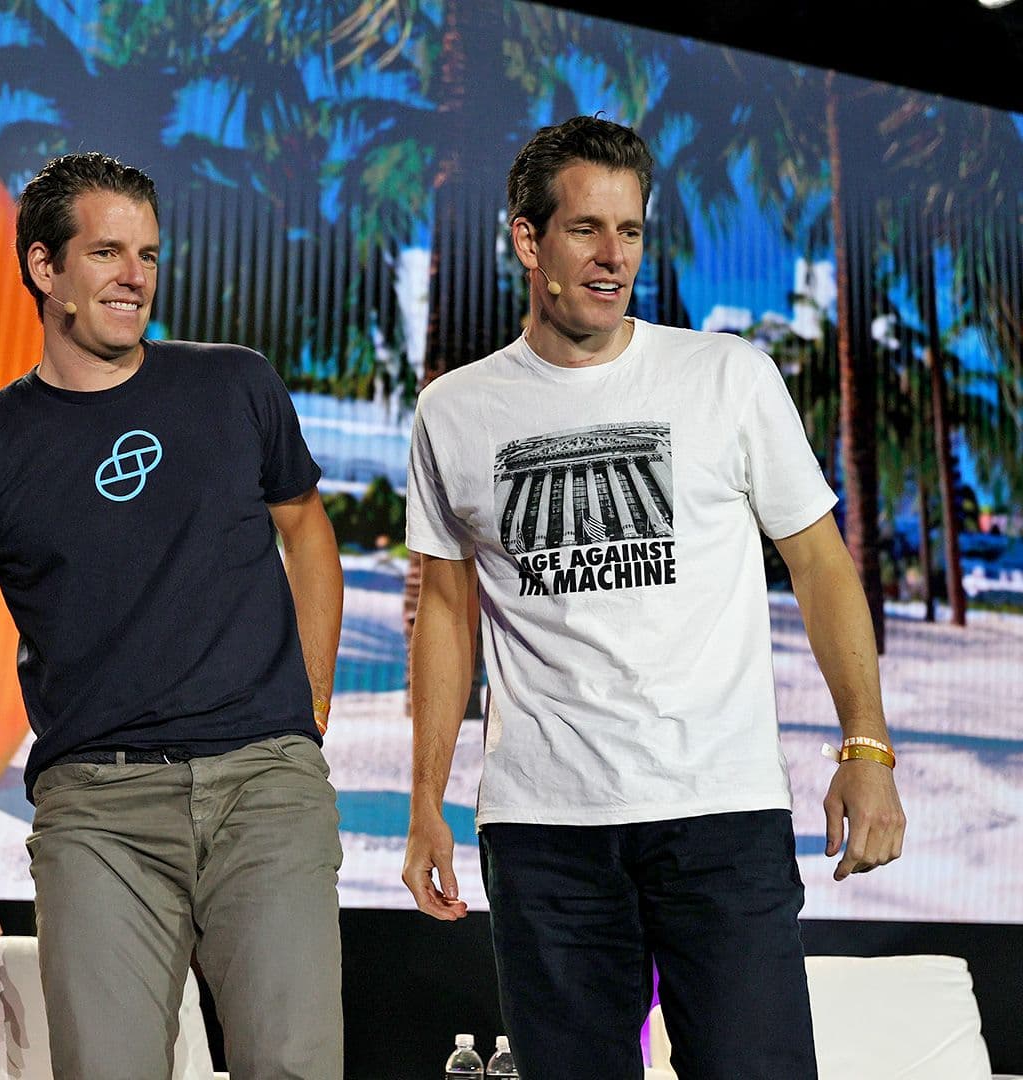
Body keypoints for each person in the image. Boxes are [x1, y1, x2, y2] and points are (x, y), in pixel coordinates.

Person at [401, 116, 906, 1080]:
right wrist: (426, 800)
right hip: (544, 832)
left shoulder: (726, 377)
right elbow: (449, 615)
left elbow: (822, 565)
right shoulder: (456, 410)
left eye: (630, 231)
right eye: (587, 228)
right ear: (527, 239)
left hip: (720, 814)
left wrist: (868, 747)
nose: (612, 255)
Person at [0, 152, 345, 1080]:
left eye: (147, 252)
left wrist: (307, 713)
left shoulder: (234, 386)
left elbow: (308, 535)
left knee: (295, 1069)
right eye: (106, 252)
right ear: (44, 269)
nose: (135, 275)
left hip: (263, 792)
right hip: (97, 814)